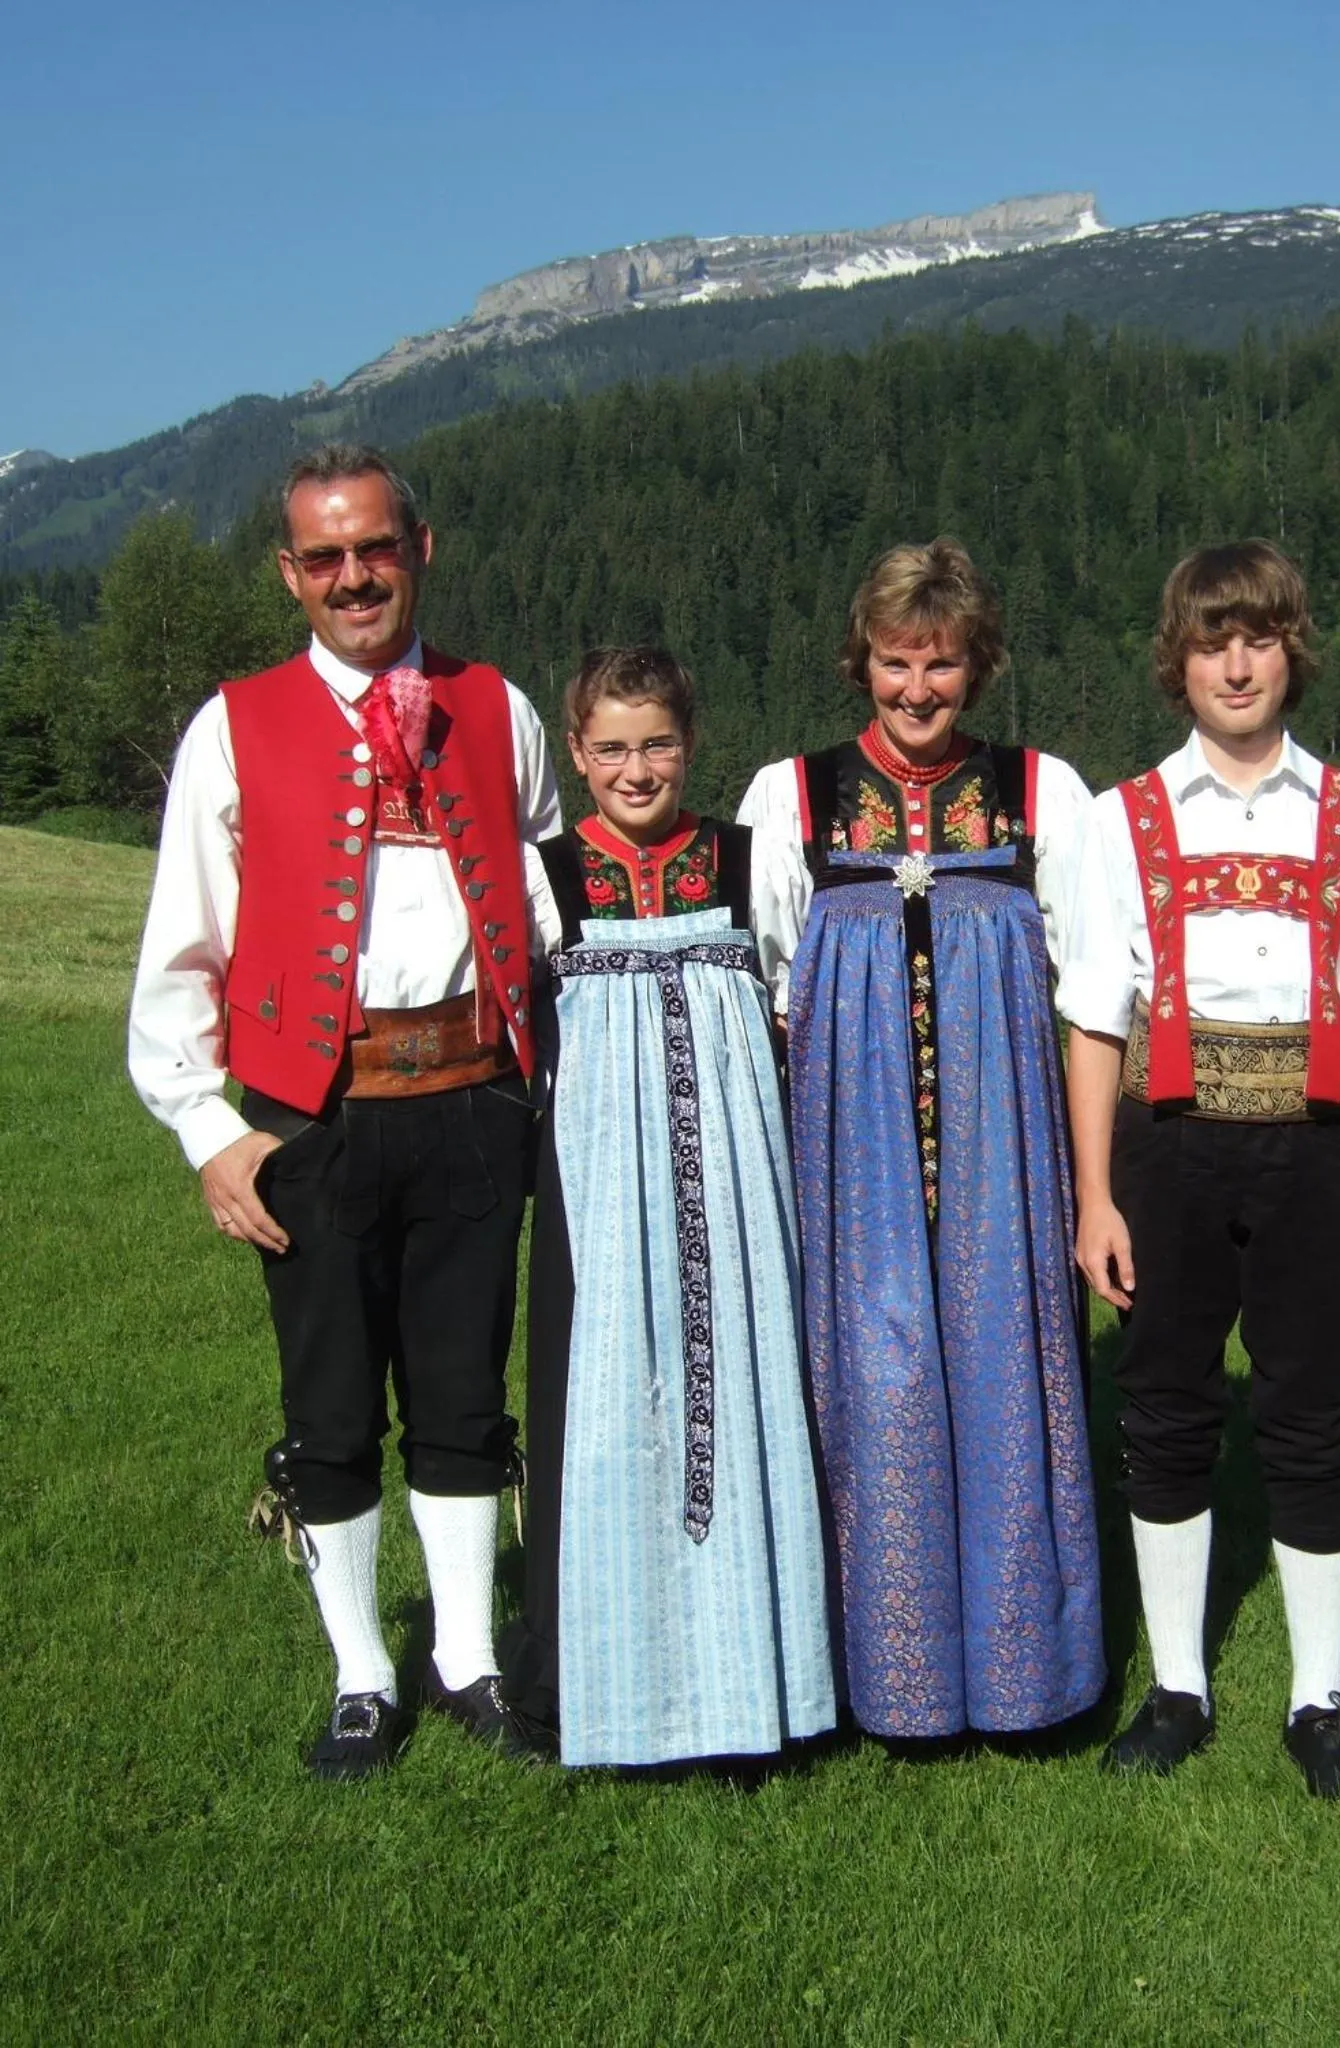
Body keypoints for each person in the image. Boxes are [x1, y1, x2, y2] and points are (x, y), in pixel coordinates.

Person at [128, 444, 561, 1780]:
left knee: (461, 1395)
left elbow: (550, 891)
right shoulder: (235, 725)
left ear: (420, 549)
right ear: (290, 574)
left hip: (479, 1103)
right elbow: (181, 950)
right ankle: (364, 1674)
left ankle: (471, 1662)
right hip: (312, 1117)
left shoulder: (499, 708)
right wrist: (213, 1130)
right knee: (326, 1407)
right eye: (325, 557)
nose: (354, 577)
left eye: (374, 548)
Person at [1059, 538, 1340, 1800]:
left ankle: (1316, 1703)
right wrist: (1098, 1192)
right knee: (1163, 1404)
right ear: (1180, 661)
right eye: (1212, 641)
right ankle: (1178, 1688)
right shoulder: (1123, 818)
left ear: (1291, 649)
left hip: (1317, 1148)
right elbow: (1098, 1015)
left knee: (1315, 1411)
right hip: (1171, 1145)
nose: (1236, 662)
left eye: (1257, 636)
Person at [738, 539, 1106, 1741]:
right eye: (896, 663)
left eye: (940, 666)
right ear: (863, 661)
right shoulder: (790, 798)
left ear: (976, 666)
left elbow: (1100, 976)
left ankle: (1022, 1677)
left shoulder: (1043, 792)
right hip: (856, 1148)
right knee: (877, 1375)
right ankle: (879, 1678)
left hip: (1004, 1138)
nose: (915, 691)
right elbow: (764, 983)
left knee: (1008, 1370)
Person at [502, 646, 835, 1766]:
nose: (635, 769)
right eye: (610, 747)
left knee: (743, 1402)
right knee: (600, 1421)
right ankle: (603, 1682)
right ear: (576, 750)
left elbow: (795, 1004)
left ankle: (755, 1684)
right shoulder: (544, 874)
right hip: (600, 1190)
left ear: (690, 744)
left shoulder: (749, 862)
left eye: (657, 744)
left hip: (738, 1193)